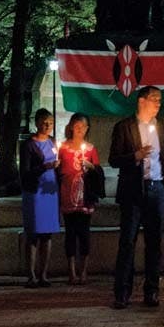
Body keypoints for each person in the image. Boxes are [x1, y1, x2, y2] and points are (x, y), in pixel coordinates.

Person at [110, 86, 164, 309]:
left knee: (154, 243)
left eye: (160, 100)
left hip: (156, 188)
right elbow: (114, 159)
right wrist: (135, 156)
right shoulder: (125, 127)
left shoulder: (162, 126)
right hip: (133, 190)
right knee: (128, 241)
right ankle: (122, 292)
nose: (158, 104)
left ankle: (152, 290)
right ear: (141, 101)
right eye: (154, 99)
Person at [58, 113, 103, 285]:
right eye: (77, 126)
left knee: (84, 233)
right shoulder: (63, 147)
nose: (80, 129)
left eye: (83, 127)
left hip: (85, 195)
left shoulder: (90, 149)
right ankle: (71, 271)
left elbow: (97, 171)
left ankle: (84, 270)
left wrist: (91, 167)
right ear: (71, 127)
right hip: (68, 193)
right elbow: (59, 167)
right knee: (70, 233)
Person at [20, 108, 61, 288]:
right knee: (33, 233)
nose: (47, 126)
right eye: (44, 122)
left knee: (47, 234)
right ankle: (31, 275)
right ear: (36, 123)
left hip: (50, 191)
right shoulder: (28, 145)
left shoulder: (53, 142)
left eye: (50, 123)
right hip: (35, 192)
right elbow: (25, 172)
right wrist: (45, 166)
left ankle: (44, 274)